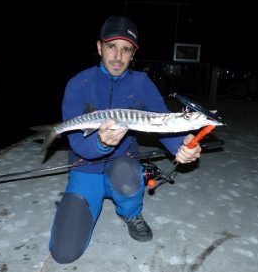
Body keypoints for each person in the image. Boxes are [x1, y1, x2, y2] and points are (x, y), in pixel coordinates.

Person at [49, 16, 202, 264]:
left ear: (133, 55)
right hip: (84, 166)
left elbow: (163, 123)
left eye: (126, 49)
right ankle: (87, 197)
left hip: (123, 163)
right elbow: (78, 143)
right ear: (99, 47)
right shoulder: (78, 84)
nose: (118, 56)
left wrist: (182, 145)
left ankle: (131, 213)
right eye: (112, 46)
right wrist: (101, 143)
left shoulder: (141, 83)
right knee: (64, 252)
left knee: (127, 178)